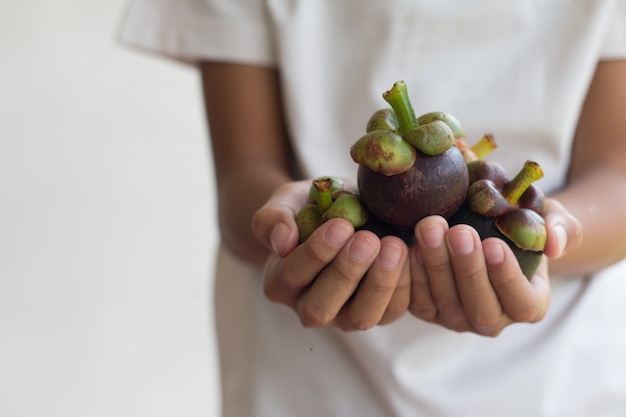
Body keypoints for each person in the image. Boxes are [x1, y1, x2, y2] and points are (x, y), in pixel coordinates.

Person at [120, 1, 626, 416]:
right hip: (307, 382)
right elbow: (243, 172)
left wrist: (561, 232)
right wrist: (287, 228)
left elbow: (617, 176)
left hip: (552, 379)